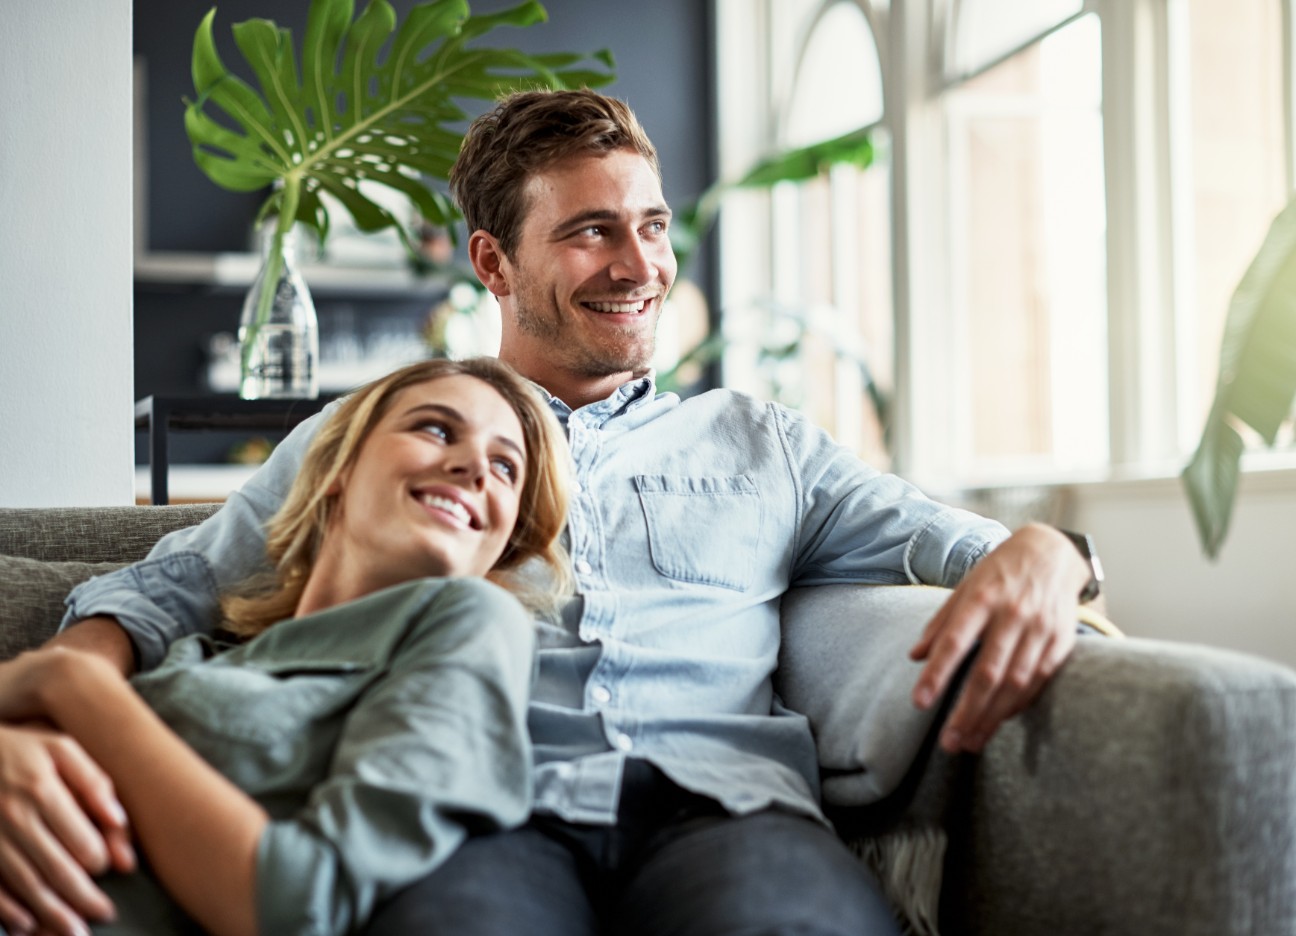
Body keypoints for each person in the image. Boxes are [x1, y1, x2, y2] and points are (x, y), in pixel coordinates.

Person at [0, 90, 1098, 936]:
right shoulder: (400, 433)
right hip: (479, 816)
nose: (641, 265)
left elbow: (974, 546)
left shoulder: (769, 446)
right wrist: (44, 711)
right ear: (494, 260)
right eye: (591, 233)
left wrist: (1052, 551)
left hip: (724, 813)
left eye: (654, 226)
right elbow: (164, 585)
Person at [0, 357, 571, 936]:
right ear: (336, 470)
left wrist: (70, 685)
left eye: (506, 466)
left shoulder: (478, 625)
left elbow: (302, 902)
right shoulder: (203, 647)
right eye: (436, 429)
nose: (476, 466)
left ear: (504, 539)